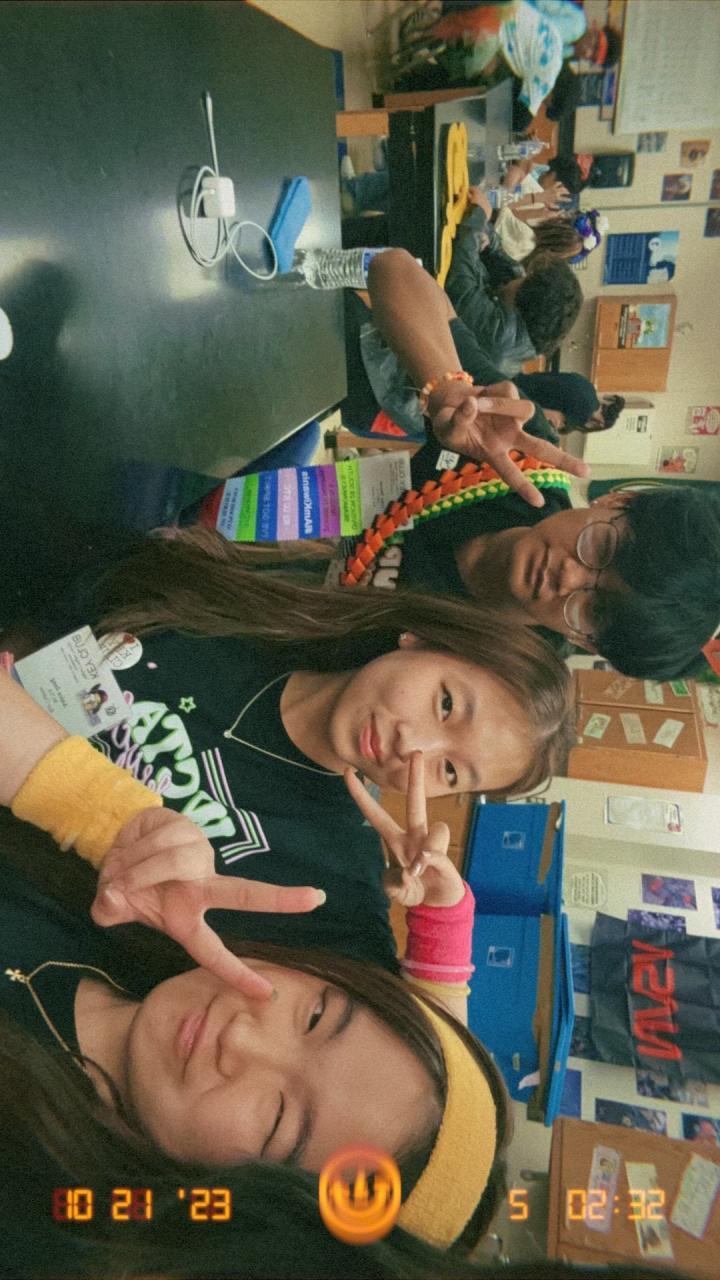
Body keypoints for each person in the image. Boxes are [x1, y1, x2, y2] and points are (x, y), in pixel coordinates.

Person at [2, 525, 575, 968]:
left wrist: (439, 921)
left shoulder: (336, 880)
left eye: (450, 771)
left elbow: (398, 1050)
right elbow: (62, 593)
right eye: (445, 703)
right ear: (422, 640)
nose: (413, 745)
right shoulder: (252, 604)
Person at [339, 249, 720, 680]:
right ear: (617, 501)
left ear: (586, 643)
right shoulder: (521, 453)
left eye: (594, 610)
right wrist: (447, 388)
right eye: (601, 548)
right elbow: (394, 269)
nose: (567, 576)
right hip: (295, 505)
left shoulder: (507, 671)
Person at [444, 188, 582, 373]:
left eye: (527, 279)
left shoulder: (500, 339)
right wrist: (486, 238)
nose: (520, 277)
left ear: (526, 295)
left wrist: (479, 216)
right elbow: (500, 256)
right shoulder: (517, 321)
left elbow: (458, 279)